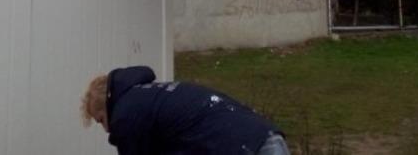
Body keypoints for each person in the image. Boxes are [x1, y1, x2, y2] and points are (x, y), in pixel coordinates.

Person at [81, 65, 289, 154]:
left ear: (108, 104)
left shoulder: (125, 114)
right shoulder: (153, 97)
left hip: (245, 148)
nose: (107, 130)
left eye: (101, 120)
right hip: (263, 136)